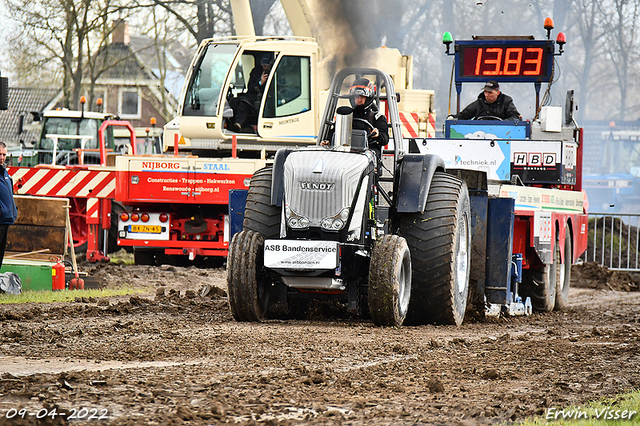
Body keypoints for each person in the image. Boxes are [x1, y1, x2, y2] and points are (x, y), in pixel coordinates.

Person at [322, 78, 389, 156]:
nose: (359, 100)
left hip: (368, 155)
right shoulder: (346, 115)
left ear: (368, 97)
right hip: (347, 153)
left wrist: (378, 135)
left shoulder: (377, 118)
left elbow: (385, 139)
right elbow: (334, 133)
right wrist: (328, 142)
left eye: (362, 97)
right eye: (357, 97)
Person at [231, 53, 273, 132]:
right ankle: (235, 124)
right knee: (234, 101)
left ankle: (238, 123)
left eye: (267, 66)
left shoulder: (274, 72)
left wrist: (264, 83)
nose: (265, 68)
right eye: (263, 65)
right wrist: (260, 82)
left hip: (266, 96)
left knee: (244, 103)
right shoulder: (256, 71)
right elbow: (250, 86)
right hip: (253, 93)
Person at [451, 80, 521, 121]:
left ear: (498, 93)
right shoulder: (480, 102)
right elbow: (465, 114)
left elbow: (515, 117)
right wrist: (453, 118)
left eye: (490, 92)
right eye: (485, 92)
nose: (486, 95)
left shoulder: (506, 101)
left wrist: (501, 124)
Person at [0, 142, 17, 268]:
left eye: (4, 154)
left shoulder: (5, 174)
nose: (2, 157)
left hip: (6, 220)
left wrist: (13, 212)